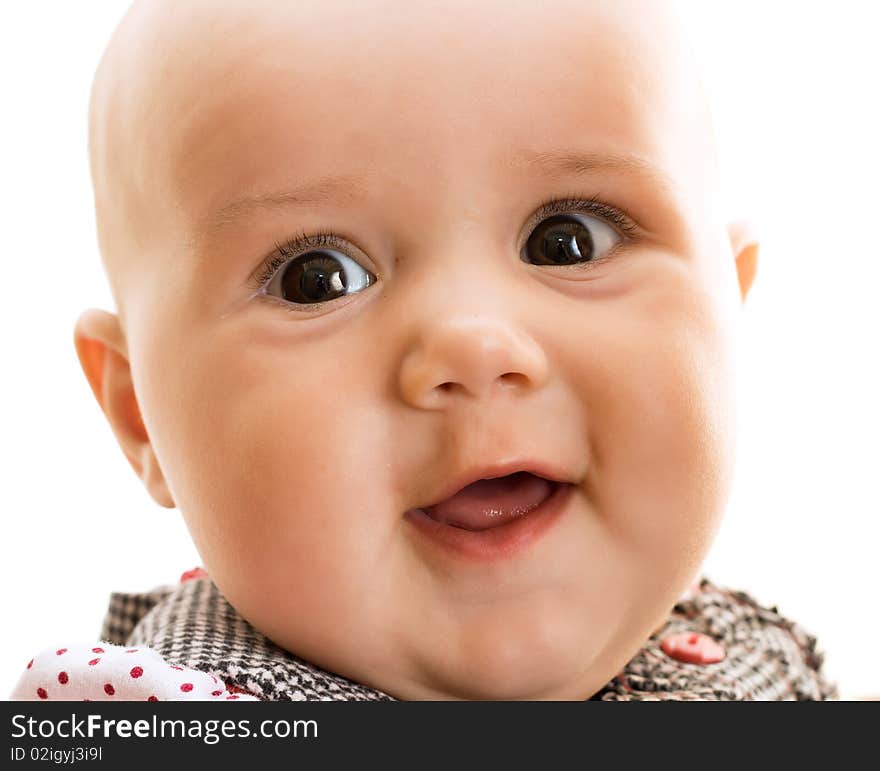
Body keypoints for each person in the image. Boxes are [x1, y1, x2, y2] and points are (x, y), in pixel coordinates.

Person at [10, 0, 836, 701]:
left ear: (729, 307)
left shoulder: (749, 640)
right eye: (317, 278)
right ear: (140, 416)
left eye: (568, 240)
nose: (473, 344)